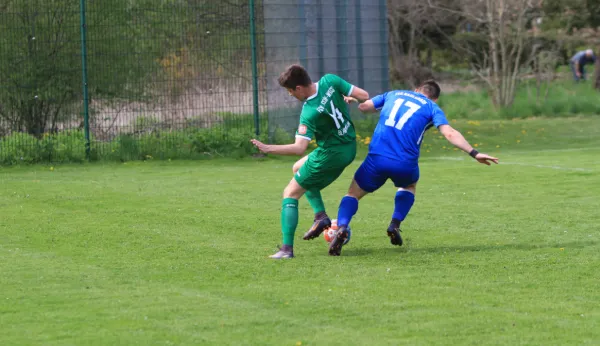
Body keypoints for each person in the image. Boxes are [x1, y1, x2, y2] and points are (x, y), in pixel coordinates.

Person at [305, 80, 499, 256]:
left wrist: (353, 100)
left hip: (377, 158)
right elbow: (449, 133)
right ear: (435, 98)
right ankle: (394, 224)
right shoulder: (432, 107)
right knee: (409, 186)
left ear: (416, 89)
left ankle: (342, 227)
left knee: (352, 194)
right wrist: (474, 153)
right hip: (404, 163)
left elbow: (365, 107)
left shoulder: (393, 94)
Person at [250, 64, 369, 259]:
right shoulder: (330, 81)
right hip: (348, 146)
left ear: (298, 88)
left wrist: (268, 148)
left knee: (290, 193)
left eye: (290, 91)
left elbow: (299, 148)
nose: (290, 95)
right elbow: (363, 95)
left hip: (331, 154)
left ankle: (286, 249)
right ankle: (320, 216)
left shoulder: (309, 111)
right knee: (297, 168)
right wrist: (349, 97)